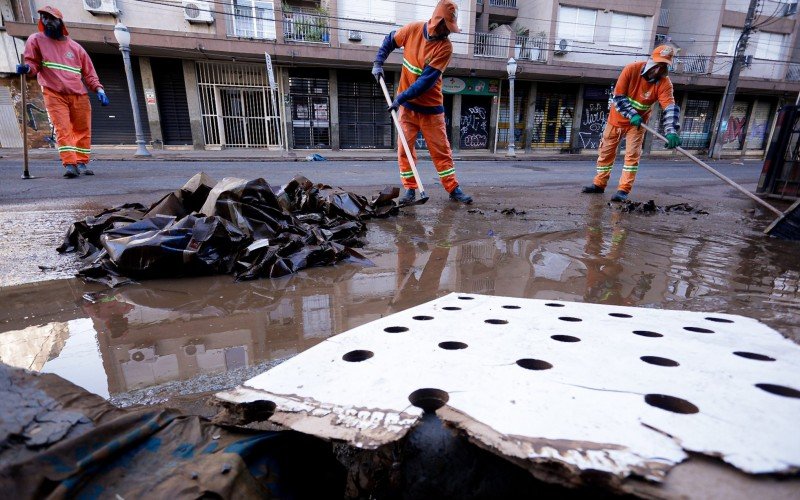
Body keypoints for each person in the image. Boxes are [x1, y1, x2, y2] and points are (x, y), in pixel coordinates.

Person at [371, 0, 472, 205]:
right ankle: (410, 190)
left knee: (441, 152)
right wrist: (378, 62)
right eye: (446, 27)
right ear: (437, 22)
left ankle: (453, 189)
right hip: (408, 110)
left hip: (431, 110)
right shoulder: (412, 30)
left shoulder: (445, 48)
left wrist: (399, 98)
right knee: (404, 150)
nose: (448, 32)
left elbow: (425, 82)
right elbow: (390, 40)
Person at [17, 6, 109, 179]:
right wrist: (28, 68)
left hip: (79, 94)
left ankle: (81, 162)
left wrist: (99, 89)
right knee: (63, 129)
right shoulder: (36, 40)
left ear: (60, 21)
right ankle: (70, 164)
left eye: (50, 18)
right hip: (54, 93)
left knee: (83, 130)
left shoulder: (76, 48)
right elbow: (33, 64)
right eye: (43, 18)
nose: (46, 21)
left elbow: (89, 73)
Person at [581, 45, 682, 202]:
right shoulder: (631, 70)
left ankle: (623, 190)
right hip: (615, 121)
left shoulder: (664, 83)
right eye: (657, 65)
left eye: (663, 66)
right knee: (605, 154)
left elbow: (669, 107)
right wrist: (632, 114)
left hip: (637, 126)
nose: (658, 70)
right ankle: (599, 185)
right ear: (651, 61)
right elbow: (619, 97)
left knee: (632, 157)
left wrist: (671, 130)